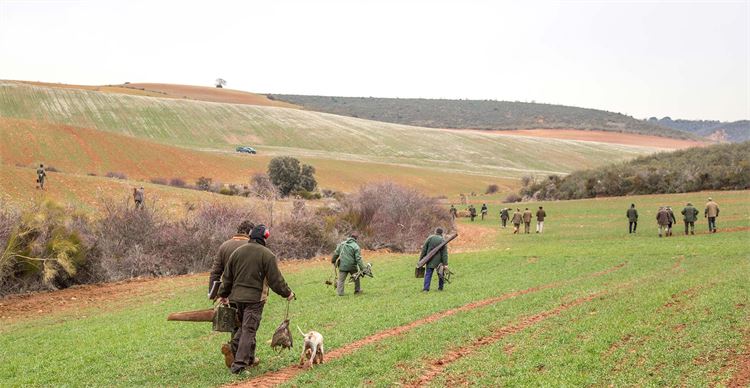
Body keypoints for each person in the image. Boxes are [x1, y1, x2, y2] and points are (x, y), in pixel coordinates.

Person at [218, 225, 295, 374]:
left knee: (243, 328)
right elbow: (276, 281)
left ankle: (235, 348)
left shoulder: (237, 253)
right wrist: (287, 293)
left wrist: (223, 294)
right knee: (249, 330)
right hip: (255, 300)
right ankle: (239, 366)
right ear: (265, 237)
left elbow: (227, 277)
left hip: (236, 299)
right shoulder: (267, 255)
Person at [210, 220, 254, 367]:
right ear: (249, 232)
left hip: (228, 293)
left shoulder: (224, 246)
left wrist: (214, 294)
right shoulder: (252, 246)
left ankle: (237, 356)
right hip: (248, 291)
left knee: (235, 324)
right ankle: (243, 355)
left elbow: (216, 272)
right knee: (248, 325)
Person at [332, 232, 365, 296]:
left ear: (350, 237)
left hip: (343, 266)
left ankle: (340, 293)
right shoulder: (356, 246)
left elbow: (336, 254)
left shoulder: (342, 244)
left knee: (341, 280)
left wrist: (333, 261)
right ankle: (357, 290)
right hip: (352, 266)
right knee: (356, 278)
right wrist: (362, 268)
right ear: (356, 239)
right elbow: (358, 259)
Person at [420, 228, 448, 292]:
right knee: (441, 274)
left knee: (428, 274)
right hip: (439, 262)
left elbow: (424, 250)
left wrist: (421, 260)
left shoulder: (429, 238)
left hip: (429, 260)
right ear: (442, 233)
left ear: (435, 232)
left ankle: (426, 289)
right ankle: (440, 288)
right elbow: (444, 253)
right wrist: (445, 264)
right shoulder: (442, 240)